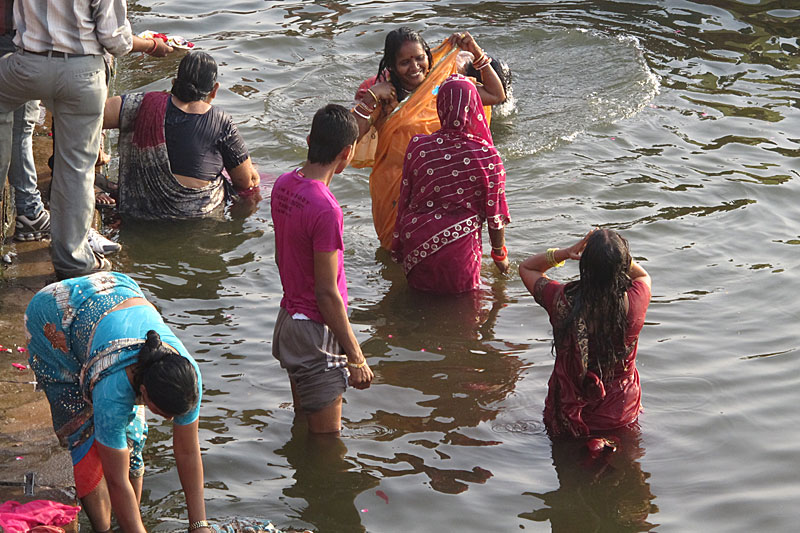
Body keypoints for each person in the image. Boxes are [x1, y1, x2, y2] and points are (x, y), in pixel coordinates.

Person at [25, 272, 211, 533]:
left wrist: (199, 525)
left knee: (133, 437)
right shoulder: (114, 388)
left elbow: (188, 452)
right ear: (143, 392)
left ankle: (129, 522)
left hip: (114, 295)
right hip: (54, 315)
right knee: (84, 433)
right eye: (164, 413)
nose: (170, 421)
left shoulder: (187, 377)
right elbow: (116, 479)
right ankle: (104, 528)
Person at [0, 0, 173, 279]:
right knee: (76, 169)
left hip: (27, 65)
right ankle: (73, 261)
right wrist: (149, 44)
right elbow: (115, 39)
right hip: (82, 73)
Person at [350, 27, 507, 249]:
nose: (414, 67)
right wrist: (370, 98)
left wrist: (476, 52)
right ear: (392, 66)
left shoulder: (444, 86)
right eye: (405, 62)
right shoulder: (387, 98)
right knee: (398, 258)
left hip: (444, 190)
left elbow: (495, 95)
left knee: (444, 257)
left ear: (428, 56)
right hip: (396, 193)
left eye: (419, 58)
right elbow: (349, 135)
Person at [270, 104, 373, 434]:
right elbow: (327, 292)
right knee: (328, 447)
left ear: (310, 139)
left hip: (288, 321)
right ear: (347, 153)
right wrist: (356, 356)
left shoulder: (284, 185)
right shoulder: (326, 208)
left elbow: (281, 256)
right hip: (314, 332)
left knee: (304, 426)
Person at [519, 229, 652, 437]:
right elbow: (642, 274)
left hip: (569, 417)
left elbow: (527, 267)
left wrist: (566, 252)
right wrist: (616, 256)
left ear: (584, 265)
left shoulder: (561, 300)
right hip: (622, 413)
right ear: (623, 265)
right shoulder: (637, 300)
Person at [102, 51, 260, 220]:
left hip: (142, 209)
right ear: (214, 90)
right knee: (253, 190)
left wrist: (94, 149)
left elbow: (91, 116)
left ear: (174, 83)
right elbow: (245, 182)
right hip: (197, 218)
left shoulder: (143, 104)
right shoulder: (221, 121)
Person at [391, 74, 511, 293]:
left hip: (416, 247)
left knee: (417, 309)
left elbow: (405, 200)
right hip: (459, 254)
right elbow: (495, 216)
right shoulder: (486, 156)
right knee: (466, 318)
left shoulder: (418, 146)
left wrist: (399, 246)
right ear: (475, 106)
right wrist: (499, 254)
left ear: (441, 105)